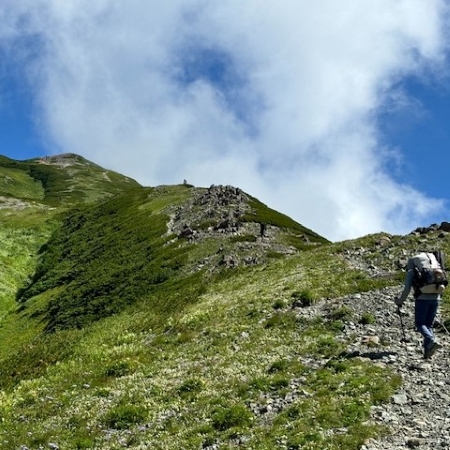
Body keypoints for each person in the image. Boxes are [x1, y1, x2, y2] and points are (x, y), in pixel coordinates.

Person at [395, 253, 442, 359]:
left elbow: (407, 289)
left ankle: (431, 340)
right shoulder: (434, 269)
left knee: (420, 323)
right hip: (436, 298)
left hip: (422, 299)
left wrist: (400, 301)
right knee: (428, 325)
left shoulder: (412, 272)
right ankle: (427, 352)